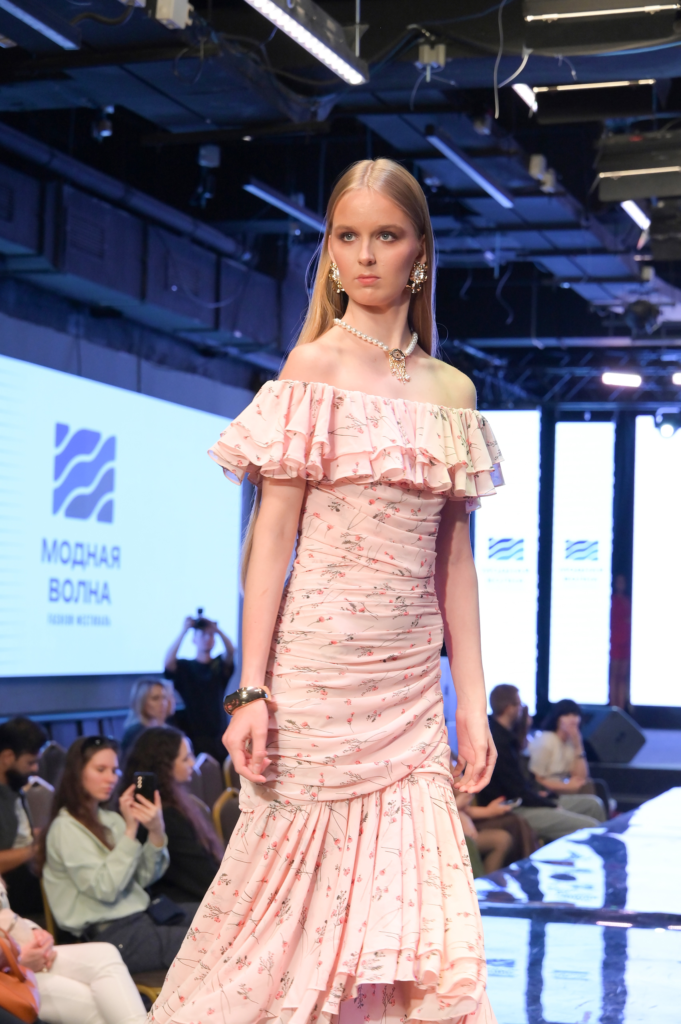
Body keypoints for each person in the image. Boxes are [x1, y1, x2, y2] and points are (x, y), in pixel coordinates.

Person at [150, 158, 503, 1024]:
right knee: (282, 921)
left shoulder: (452, 391)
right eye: (348, 236)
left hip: (410, 693)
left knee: (406, 923)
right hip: (315, 681)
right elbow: (270, 540)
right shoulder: (312, 367)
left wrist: (471, 702)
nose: (365, 255)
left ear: (420, 250)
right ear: (330, 252)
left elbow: (453, 561)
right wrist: (251, 688)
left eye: (386, 235)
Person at [42, 736, 189, 974]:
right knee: (211, 941)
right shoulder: (65, 828)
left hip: (143, 917)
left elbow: (142, 878)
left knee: (218, 916)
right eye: (101, 770)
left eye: (114, 770)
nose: (112, 778)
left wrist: (156, 831)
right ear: (77, 773)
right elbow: (105, 889)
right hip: (109, 936)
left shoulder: (110, 819)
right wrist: (130, 831)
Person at [0, 876, 147, 1024]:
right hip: (6, 974)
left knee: (105, 954)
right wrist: (14, 960)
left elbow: (4, 912)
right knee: (100, 1006)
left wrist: (33, 931)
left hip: (16, 952)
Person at [479, 685, 605, 843]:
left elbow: (524, 782)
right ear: (509, 708)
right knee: (592, 826)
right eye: (519, 704)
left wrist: (544, 797)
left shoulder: (506, 737)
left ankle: (606, 854)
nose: (522, 709)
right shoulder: (497, 741)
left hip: (531, 798)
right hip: (515, 806)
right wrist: (548, 803)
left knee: (593, 804)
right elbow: (516, 790)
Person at [122, 727, 222, 904]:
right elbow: (203, 876)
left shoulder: (174, 803)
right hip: (185, 903)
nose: (192, 763)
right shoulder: (167, 815)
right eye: (185, 759)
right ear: (164, 766)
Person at [163, 614, 235, 763]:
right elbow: (168, 663)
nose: (207, 638)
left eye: (211, 635)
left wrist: (217, 629)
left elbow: (231, 651)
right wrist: (184, 631)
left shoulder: (218, 665)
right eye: (202, 634)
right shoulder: (186, 667)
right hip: (193, 733)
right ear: (194, 639)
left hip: (218, 733)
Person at [528, 699, 608, 817]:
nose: (572, 719)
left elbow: (581, 778)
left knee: (593, 788)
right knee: (594, 803)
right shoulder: (546, 740)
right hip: (547, 794)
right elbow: (536, 779)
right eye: (566, 715)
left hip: (564, 792)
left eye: (575, 715)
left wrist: (578, 745)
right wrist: (566, 787)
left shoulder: (571, 743)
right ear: (557, 718)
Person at [0, 717, 47, 916]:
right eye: (30, 762)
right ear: (7, 757)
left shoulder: (14, 787)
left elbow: (20, 836)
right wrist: (34, 850)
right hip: (12, 899)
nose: (35, 768)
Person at [454, 791, 512, 876]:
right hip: (444, 835)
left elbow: (466, 809)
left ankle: (489, 881)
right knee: (469, 843)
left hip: (465, 831)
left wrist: (489, 811)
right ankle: (479, 881)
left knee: (504, 836)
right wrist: (456, 807)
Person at [120, 678, 176, 757]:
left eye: (164, 697)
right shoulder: (135, 734)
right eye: (155, 698)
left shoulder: (168, 731)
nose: (162, 703)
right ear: (142, 702)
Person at [609, 573, 632, 709]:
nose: (620, 584)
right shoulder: (611, 600)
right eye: (618, 582)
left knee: (623, 677)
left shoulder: (628, 601)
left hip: (626, 642)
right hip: (615, 641)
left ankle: (621, 708)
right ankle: (613, 707)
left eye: (622, 582)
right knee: (614, 676)